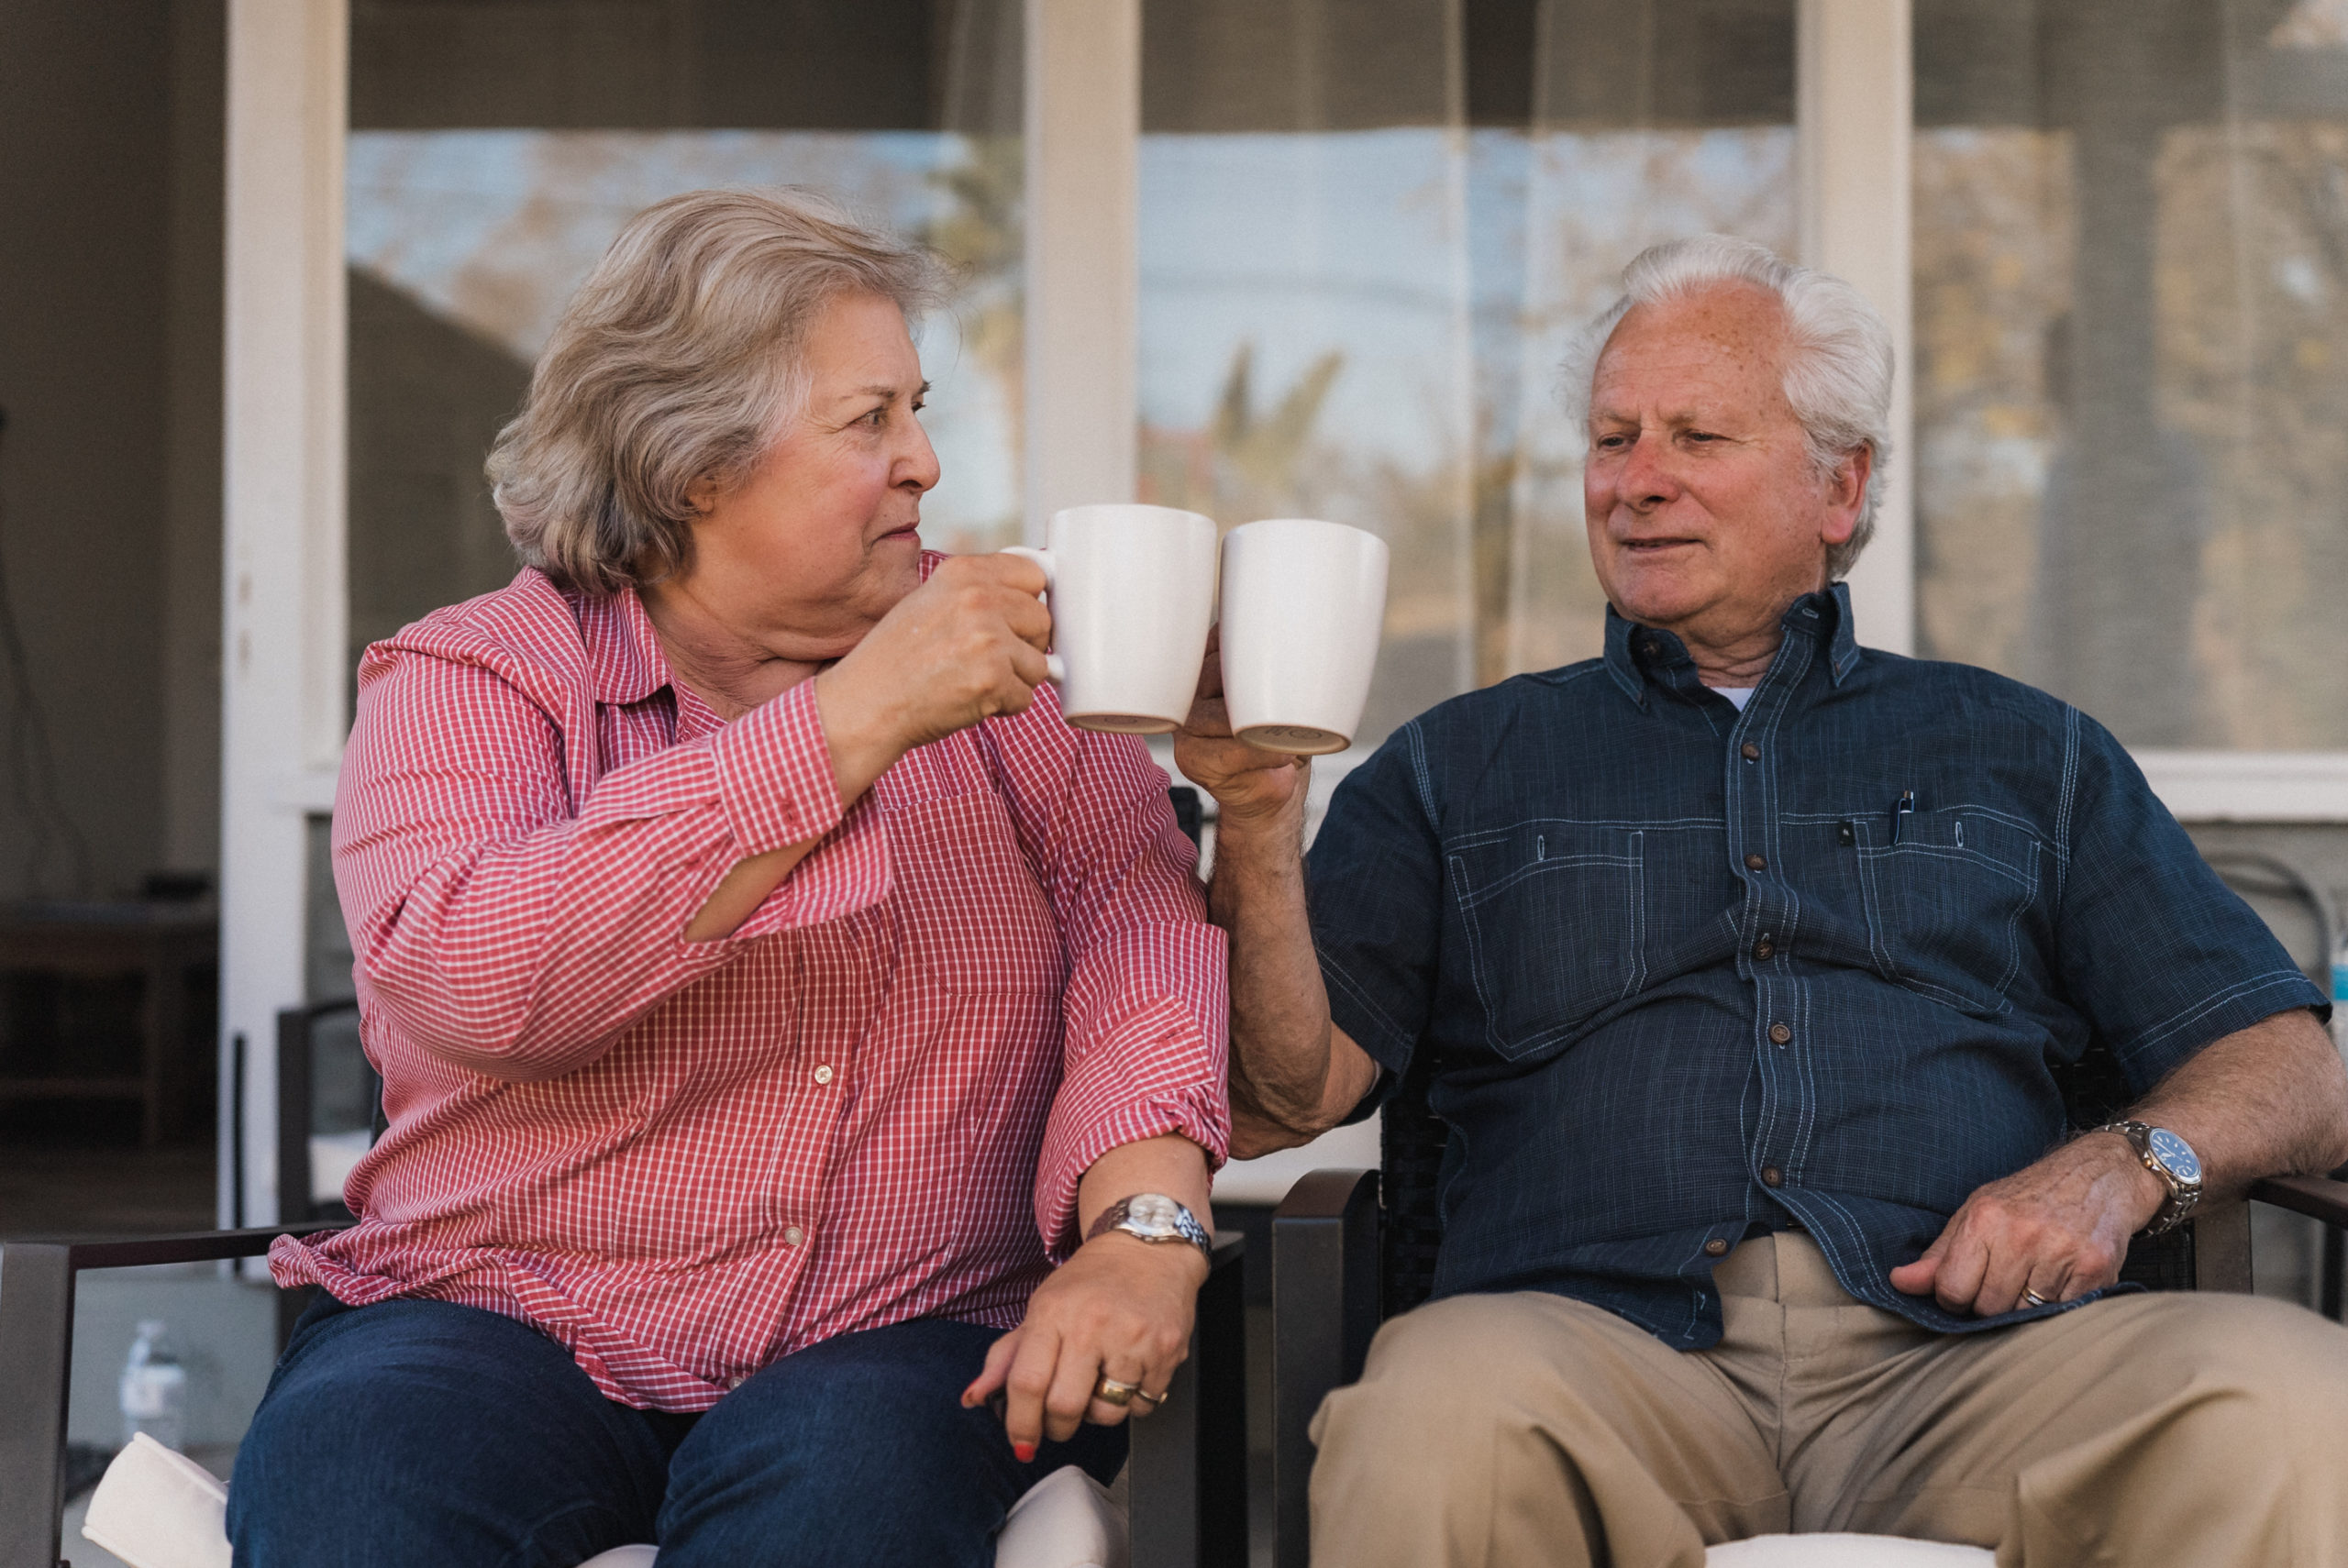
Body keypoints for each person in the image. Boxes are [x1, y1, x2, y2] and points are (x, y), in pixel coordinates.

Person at [1177, 233, 2348, 1566]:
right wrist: (1258, 820)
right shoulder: (1456, 766)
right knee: (1430, 1413)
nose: (1638, 482)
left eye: (1698, 436)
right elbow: (1279, 1094)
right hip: (1591, 1358)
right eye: (1612, 438)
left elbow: (2291, 1065)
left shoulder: (2028, 751)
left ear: (1838, 484)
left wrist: (2123, 1168)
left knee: (2295, 1402)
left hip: (1976, 1370)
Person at [228, 189, 1229, 1568]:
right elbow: (474, 979)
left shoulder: (1022, 678)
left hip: (894, 1335)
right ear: (697, 463)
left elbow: (1144, 951)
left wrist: (1141, 1233)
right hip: (499, 1316)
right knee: (354, 1479)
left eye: (918, 410)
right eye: (869, 418)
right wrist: (852, 722)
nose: (926, 461)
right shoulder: (474, 676)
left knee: (847, 1489)